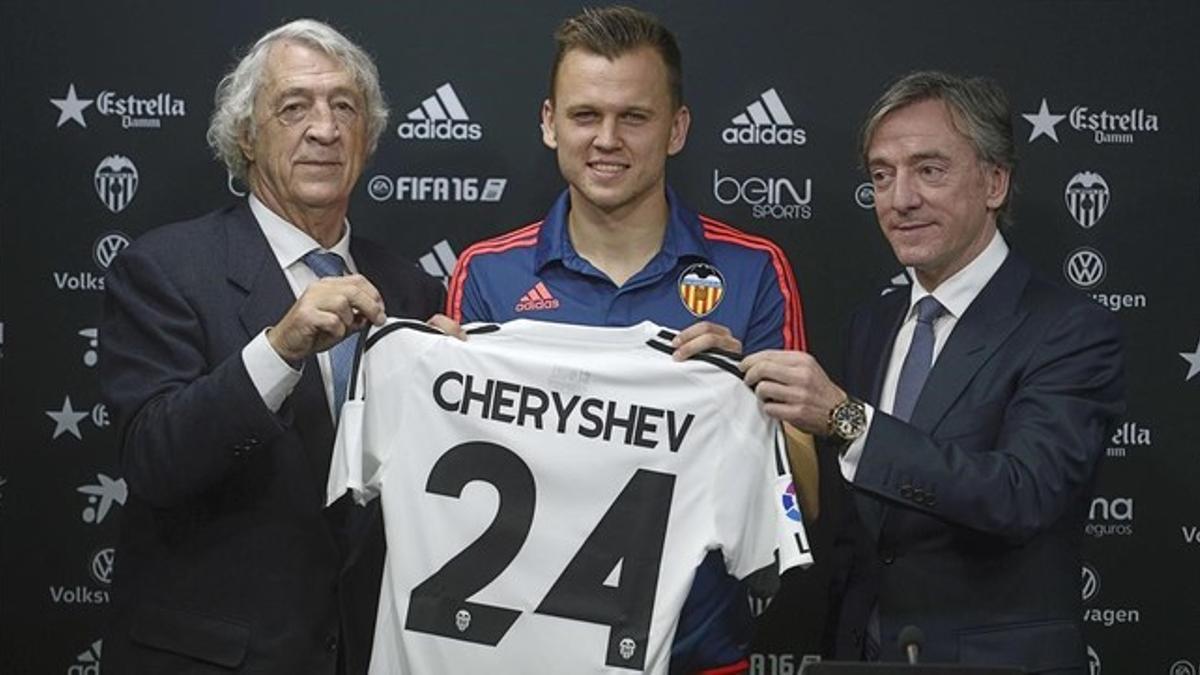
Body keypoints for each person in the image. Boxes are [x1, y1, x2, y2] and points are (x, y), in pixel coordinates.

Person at [438, 6, 809, 674]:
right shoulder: (486, 272)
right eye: (586, 115)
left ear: (677, 129)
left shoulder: (754, 270)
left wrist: (748, 395)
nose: (607, 138)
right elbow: (453, 491)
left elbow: (801, 499)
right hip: (520, 651)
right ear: (550, 122)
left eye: (634, 117)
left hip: (697, 652)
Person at [742, 71, 1125, 672]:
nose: (900, 199)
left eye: (929, 169)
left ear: (995, 182)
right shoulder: (874, 323)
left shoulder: (1070, 330)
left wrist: (845, 418)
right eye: (881, 175)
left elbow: (1020, 495)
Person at [99, 19, 444, 673]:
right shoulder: (164, 268)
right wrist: (280, 348)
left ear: (367, 138)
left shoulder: (412, 289)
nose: (324, 128)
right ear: (245, 137)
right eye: (294, 107)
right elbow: (154, 458)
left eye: (345, 107)